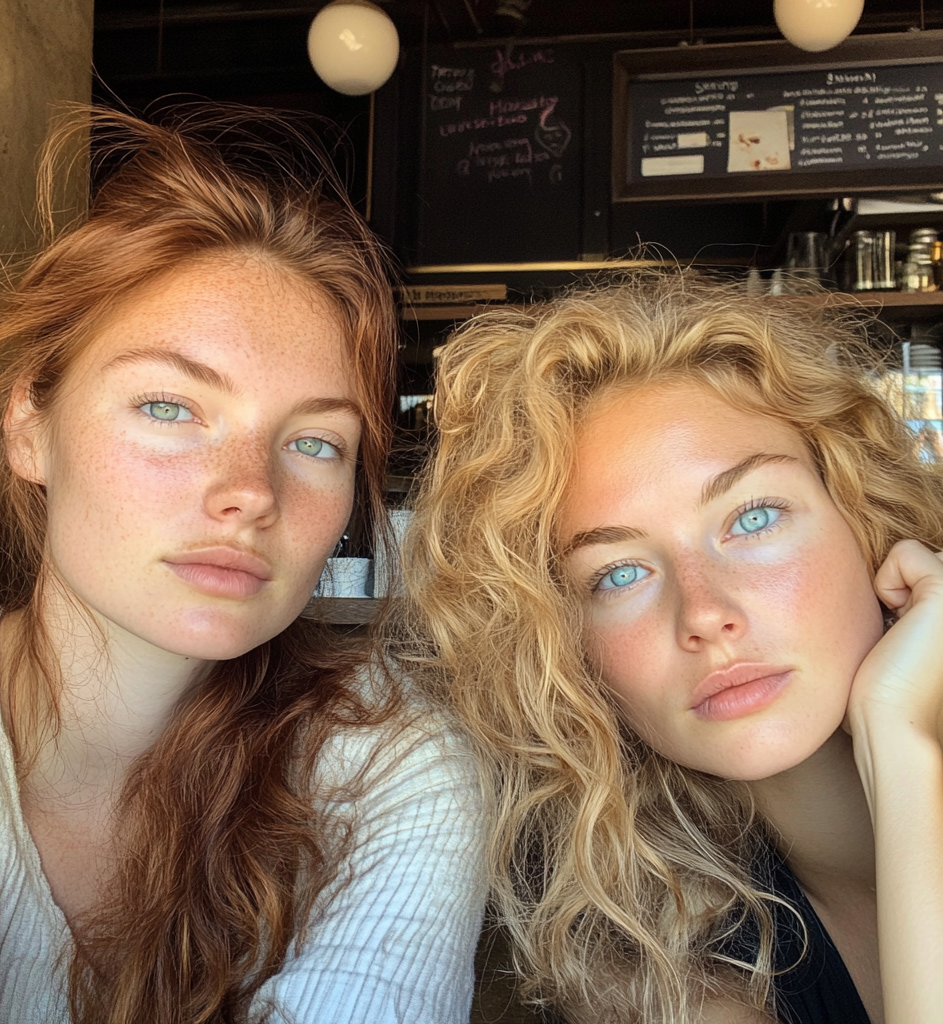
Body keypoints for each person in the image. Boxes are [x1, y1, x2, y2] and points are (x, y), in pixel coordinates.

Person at [0, 106, 485, 1024]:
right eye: (170, 407)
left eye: (313, 442)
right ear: (30, 425)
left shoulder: (384, 770)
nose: (249, 491)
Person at [403, 271, 943, 1024]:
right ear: (567, 652)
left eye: (752, 519)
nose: (705, 612)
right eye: (619, 573)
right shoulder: (651, 958)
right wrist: (907, 754)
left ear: (867, 518)